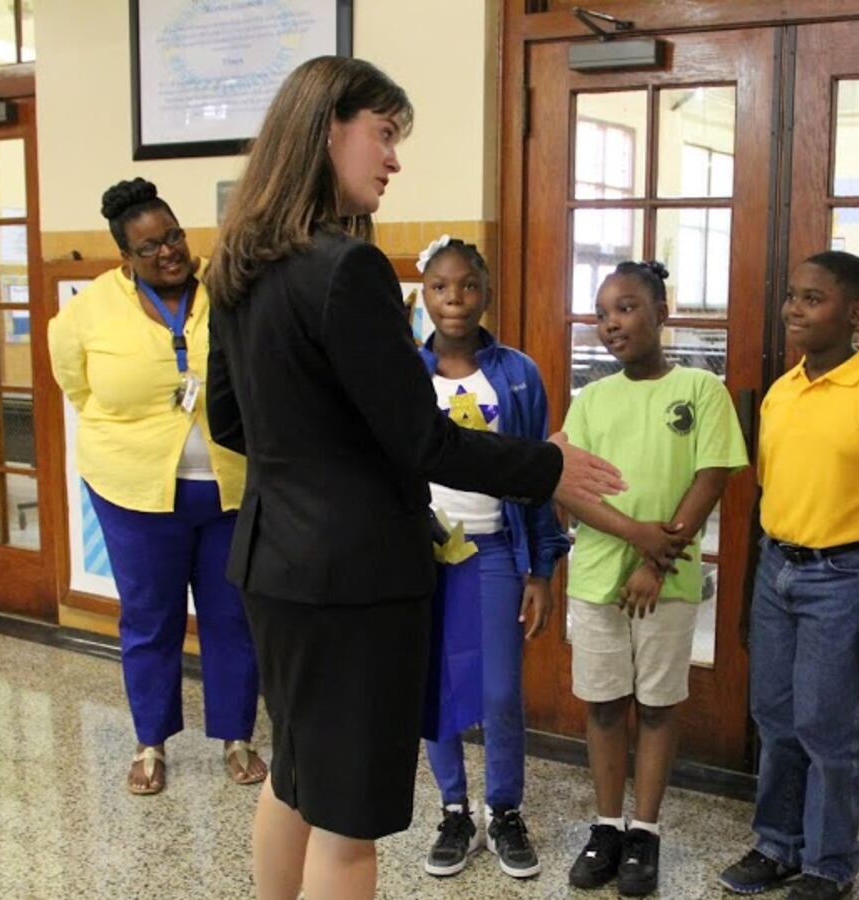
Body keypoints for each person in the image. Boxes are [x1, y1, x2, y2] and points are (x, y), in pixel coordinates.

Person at [202, 57, 623, 900]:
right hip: (353, 578)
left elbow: (231, 422)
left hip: (272, 565)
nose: (393, 159)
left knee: (297, 776)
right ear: (329, 128)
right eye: (384, 135)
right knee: (349, 821)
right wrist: (547, 467)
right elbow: (421, 440)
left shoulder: (241, 263)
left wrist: (326, 450)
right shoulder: (346, 269)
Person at [719, 251, 859, 900]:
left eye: (813, 298)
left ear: (856, 311)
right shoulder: (783, 391)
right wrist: (753, 586)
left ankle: (829, 864)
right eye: (792, 296)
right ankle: (778, 846)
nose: (794, 309)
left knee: (827, 726)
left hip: (844, 578)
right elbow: (769, 498)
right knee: (776, 717)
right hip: (778, 570)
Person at [46, 178, 265, 796]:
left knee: (232, 616)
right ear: (125, 257)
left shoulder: (228, 289)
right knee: (149, 618)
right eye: (150, 247)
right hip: (134, 493)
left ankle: (236, 734)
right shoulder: (88, 310)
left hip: (229, 489)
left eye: (174, 236)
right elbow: (77, 384)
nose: (169, 252)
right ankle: (150, 742)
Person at [558, 261, 749, 897]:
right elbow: (573, 489)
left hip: (665, 583)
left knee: (658, 706)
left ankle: (646, 830)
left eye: (628, 307)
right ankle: (608, 823)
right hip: (596, 580)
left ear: (662, 314)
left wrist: (653, 559)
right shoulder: (592, 400)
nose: (612, 322)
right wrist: (634, 536)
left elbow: (710, 477)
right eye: (603, 311)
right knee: (606, 703)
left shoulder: (700, 389)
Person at [413, 236, 569, 880]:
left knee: (501, 690)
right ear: (422, 297)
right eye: (441, 288)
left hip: (497, 547)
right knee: (433, 684)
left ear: (487, 293)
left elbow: (538, 472)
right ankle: (453, 808)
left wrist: (542, 569)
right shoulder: (400, 370)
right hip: (418, 554)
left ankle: (503, 808)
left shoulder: (517, 373)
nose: (455, 300)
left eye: (468, 287)